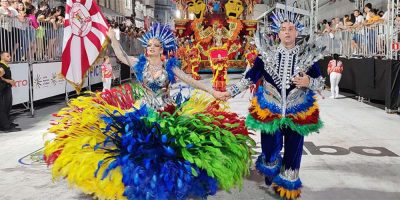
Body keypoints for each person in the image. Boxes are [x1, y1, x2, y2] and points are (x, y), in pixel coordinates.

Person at [44, 23, 254, 200]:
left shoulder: (169, 67)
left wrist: (214, 91)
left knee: (166, 152)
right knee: (140, 149)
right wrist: (113, 39)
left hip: (166, 112)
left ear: (163, 49)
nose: (151, 48)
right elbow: (120, 55)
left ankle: (165, 185)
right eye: (149, 45)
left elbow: (191, 81)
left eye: (156, 45)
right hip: (144, 110)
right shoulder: (139, 64)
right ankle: (140, 183)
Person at [217, 12, 325, 199]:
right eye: (283, 29)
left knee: (294, 151)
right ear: (278, 33)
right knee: (269, 150)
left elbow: (321, 83)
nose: (287, 32)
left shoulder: (307, 56)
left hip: (297, 111)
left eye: (291, 29)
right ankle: (270, 167)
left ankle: (288, 186)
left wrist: (309, 82)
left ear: (297, 32)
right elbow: (251, 76)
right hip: (270, 109)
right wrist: (230, 92)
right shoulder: (266, 55)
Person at [0, 51, 20, 132]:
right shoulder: (1, 67)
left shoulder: (5, 66)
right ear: (2, 57)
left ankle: (7, 123)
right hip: (2, 90)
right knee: (3, 108)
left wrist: (10, 80)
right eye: (8, 56)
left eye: (9, 56)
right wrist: (8, 81)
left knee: (7, 107)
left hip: (6, 88)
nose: (10, 57)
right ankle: (6, 126)